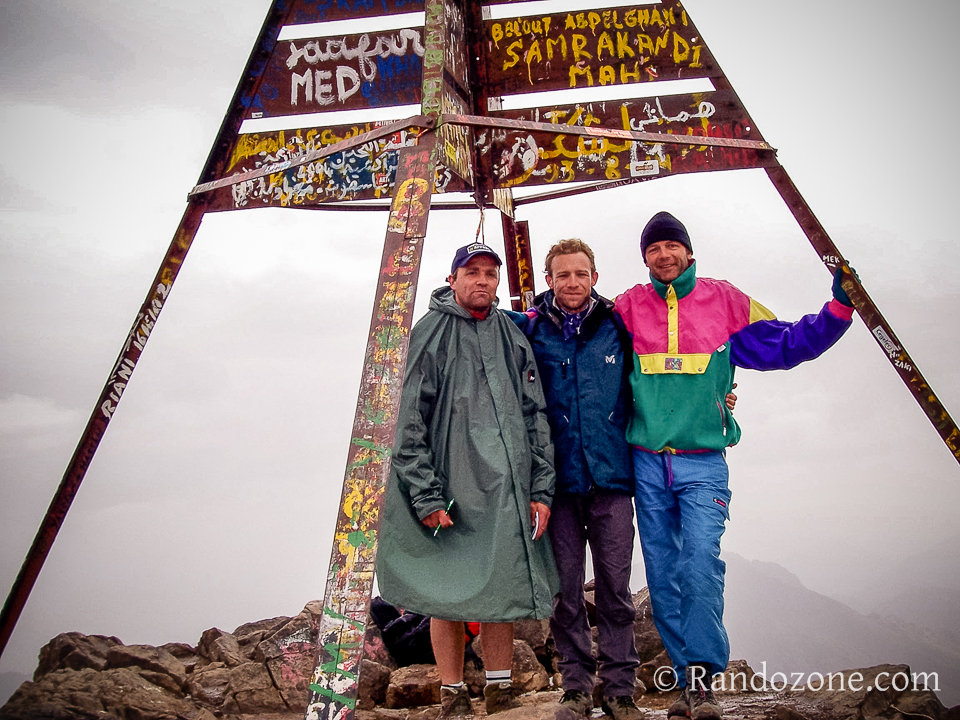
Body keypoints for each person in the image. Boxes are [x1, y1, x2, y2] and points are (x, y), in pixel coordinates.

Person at [614, 211, 855, 720]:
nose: (663, 255)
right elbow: (581, 346)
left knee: (699, 564)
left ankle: (702, 678)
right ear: (644, 258)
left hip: (703, 463)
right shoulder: (628, 307)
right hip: (647, 464)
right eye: (653, 249)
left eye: (671, 246)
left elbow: (786, 343)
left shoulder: (725, 300)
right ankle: (689, 685)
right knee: (661, 577)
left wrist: (837, 309)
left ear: (688, 251)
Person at [377, 242, 559, 720]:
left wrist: (542, 488)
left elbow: (534, 412)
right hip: (451, 487)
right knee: (446, 594)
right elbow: (407, 419)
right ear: (453, 278)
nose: (482, 281)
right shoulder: (429, 333)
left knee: (500, 589)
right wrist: (425, 492)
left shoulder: (510, 334)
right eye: (472, 272)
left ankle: (501, 691)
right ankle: (453, 694)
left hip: (508, 488)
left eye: (490, 274)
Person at [508, 239, 642, 720]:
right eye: (562, 275)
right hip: (556, 485)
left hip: (611, 479)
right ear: (549, 280)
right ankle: (577, 686)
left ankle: (620, 689)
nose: (572, 283)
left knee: (614, 587)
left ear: (594, 278)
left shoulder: (616, 325)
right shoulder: (529, 328)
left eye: (580, 274)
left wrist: (721, 394)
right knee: (565, 589)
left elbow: (663, 366)